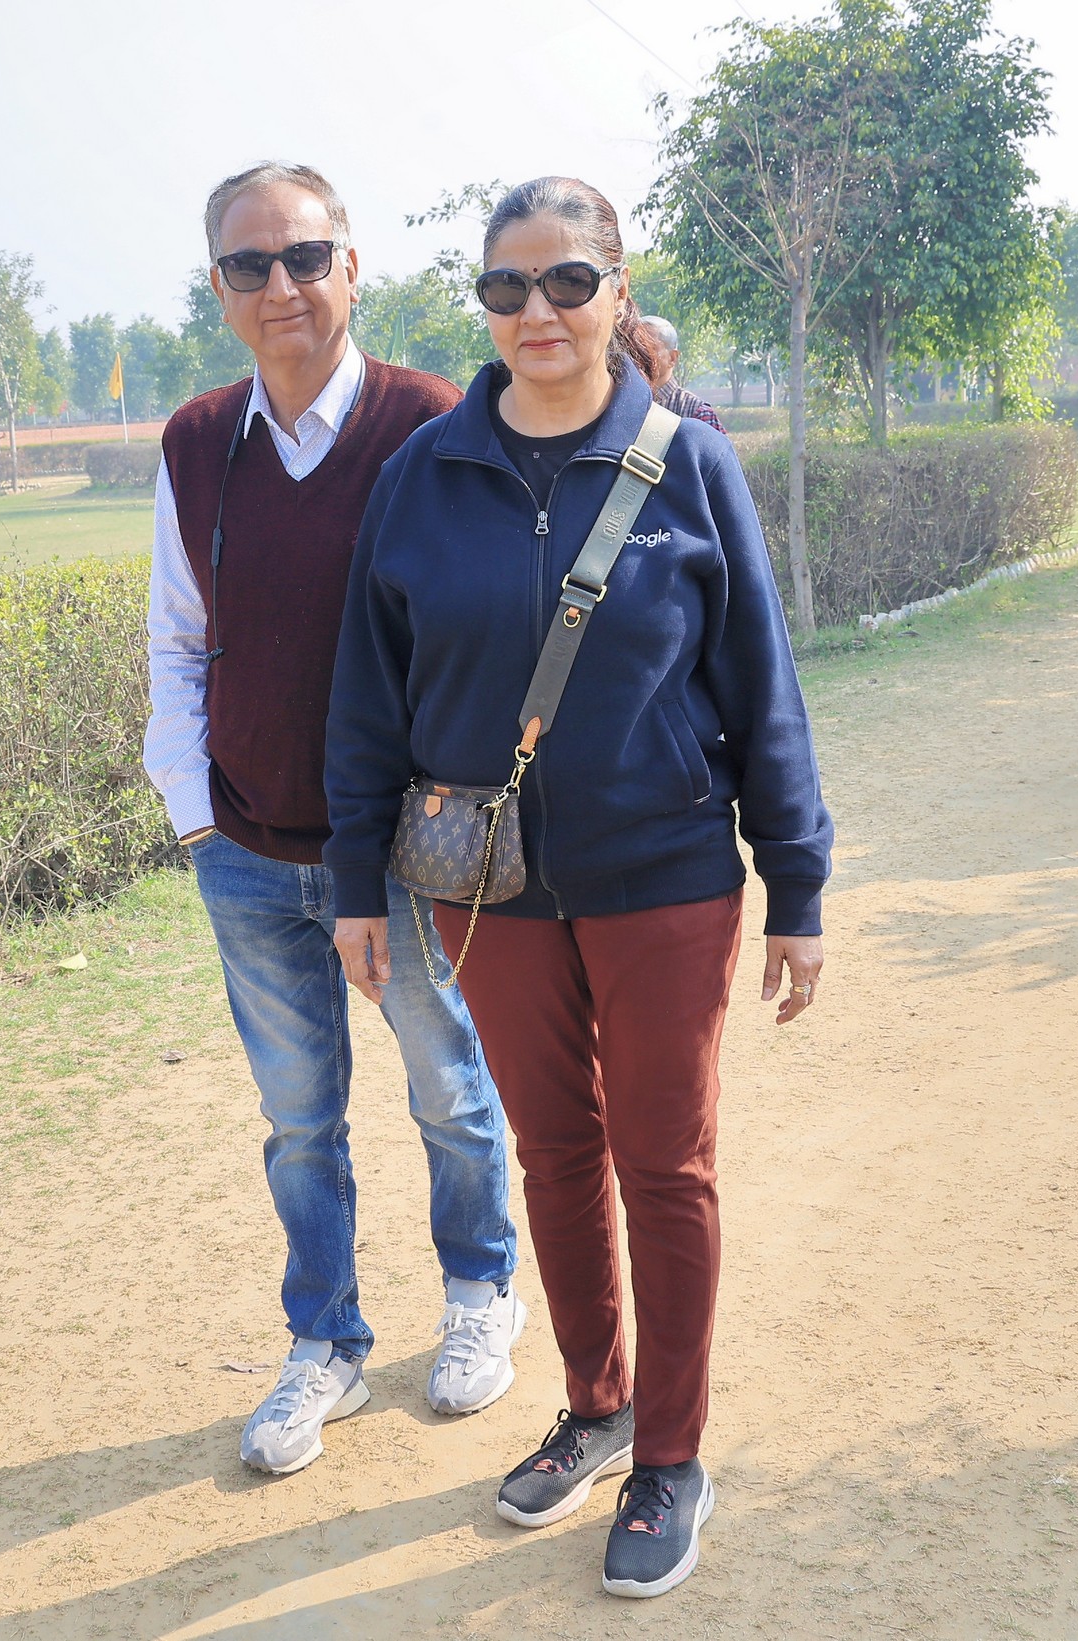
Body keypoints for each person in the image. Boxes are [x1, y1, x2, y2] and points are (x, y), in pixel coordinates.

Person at [326, 176, 832, 1599]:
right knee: (553, 1155)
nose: (535, 311)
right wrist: (357, 879)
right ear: (482, 304)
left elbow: (761, 687)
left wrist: (795, 882)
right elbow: (366, 695)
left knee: (664, 1165)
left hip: (663, 875)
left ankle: (669, 1453)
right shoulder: (422, 476)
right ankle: (594, 1405)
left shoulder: (690, 466)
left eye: (566, 282)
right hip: (487, 890)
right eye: (506, 287)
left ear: (616, 290)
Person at [143, 161, 522, 1477]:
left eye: (304, 257)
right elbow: (176, 641)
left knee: (447, 1085)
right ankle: (326, 1340)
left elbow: (480, 627)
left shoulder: (430, 423)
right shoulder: (197, 442)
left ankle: (479, 1290)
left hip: (403, 852)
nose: (281, 287)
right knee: (299, 1118)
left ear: (350, 269)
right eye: (249, 265)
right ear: (218, 289)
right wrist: (195, 815)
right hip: (247, 849)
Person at [637, 315, 726, 432]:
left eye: (648, 349)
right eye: (634, 348)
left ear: (672, 358)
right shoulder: (622, 406)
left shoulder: (697, 413)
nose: (638, 356)